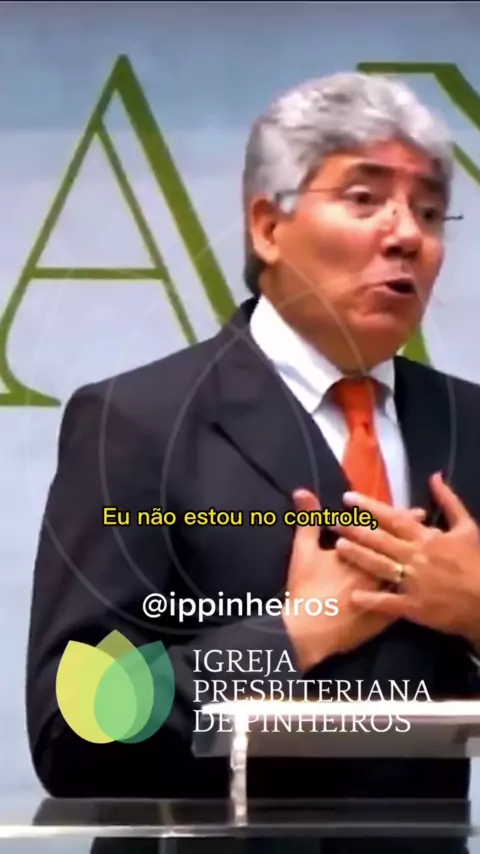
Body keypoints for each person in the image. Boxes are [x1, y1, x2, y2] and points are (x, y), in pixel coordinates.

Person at [26, 72, 480, 817]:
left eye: (430, 212)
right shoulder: (135, 424)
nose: (407, 235)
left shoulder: (470, 425)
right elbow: (71, 729)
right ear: (269, 227)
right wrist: (291, 636)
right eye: (364, 199)